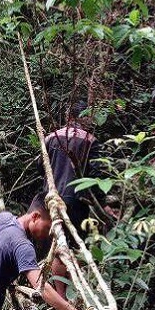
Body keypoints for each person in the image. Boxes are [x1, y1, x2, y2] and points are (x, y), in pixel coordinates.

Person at [44, 101, 104, 236]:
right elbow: (95, 175)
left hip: (49, 198)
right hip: (76, 201)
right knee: (76, 239)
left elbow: (41, 167)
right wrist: (101, 202)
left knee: (51, 238)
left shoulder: (51, 137)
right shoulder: (90, 140)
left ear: (68, 117)